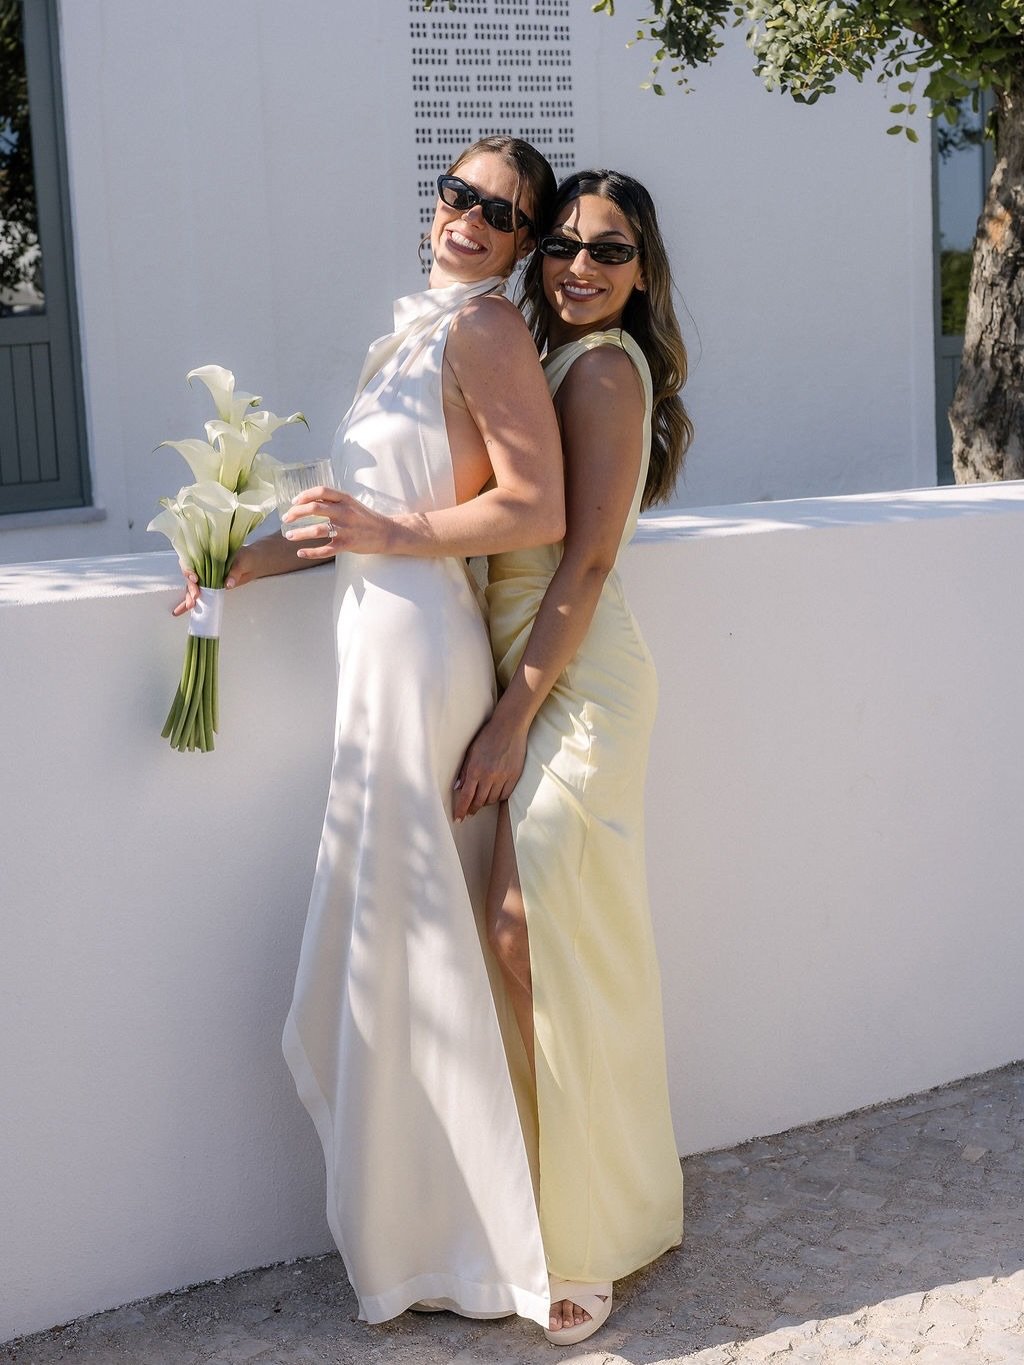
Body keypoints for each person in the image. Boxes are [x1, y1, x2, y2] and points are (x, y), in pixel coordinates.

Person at [177, 137, 564, 1326]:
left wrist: (388, 532)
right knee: (386, 938)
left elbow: (533, 500)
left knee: (414, 939)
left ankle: (467, 1248)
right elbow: (348, 523)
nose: (468, 219)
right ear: (433, 203)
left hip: (422, 649)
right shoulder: (407, 332)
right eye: (456, 195)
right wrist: (228, 567)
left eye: (498, 214)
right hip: (373, 643)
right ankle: (411, 1239)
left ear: (521, 241)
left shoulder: (487, 330)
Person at [453, 169, 693, 1347]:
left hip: (577, 688)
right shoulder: (551, 358)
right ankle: (573, 1204)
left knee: (532, 939)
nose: (579, 267)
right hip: (540, 677)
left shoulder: (600, 369)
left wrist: (509, 719)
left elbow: (585, 567)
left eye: (608, 250)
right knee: (534, 943)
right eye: (559, 245)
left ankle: (593, 1234)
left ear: (643, 270)